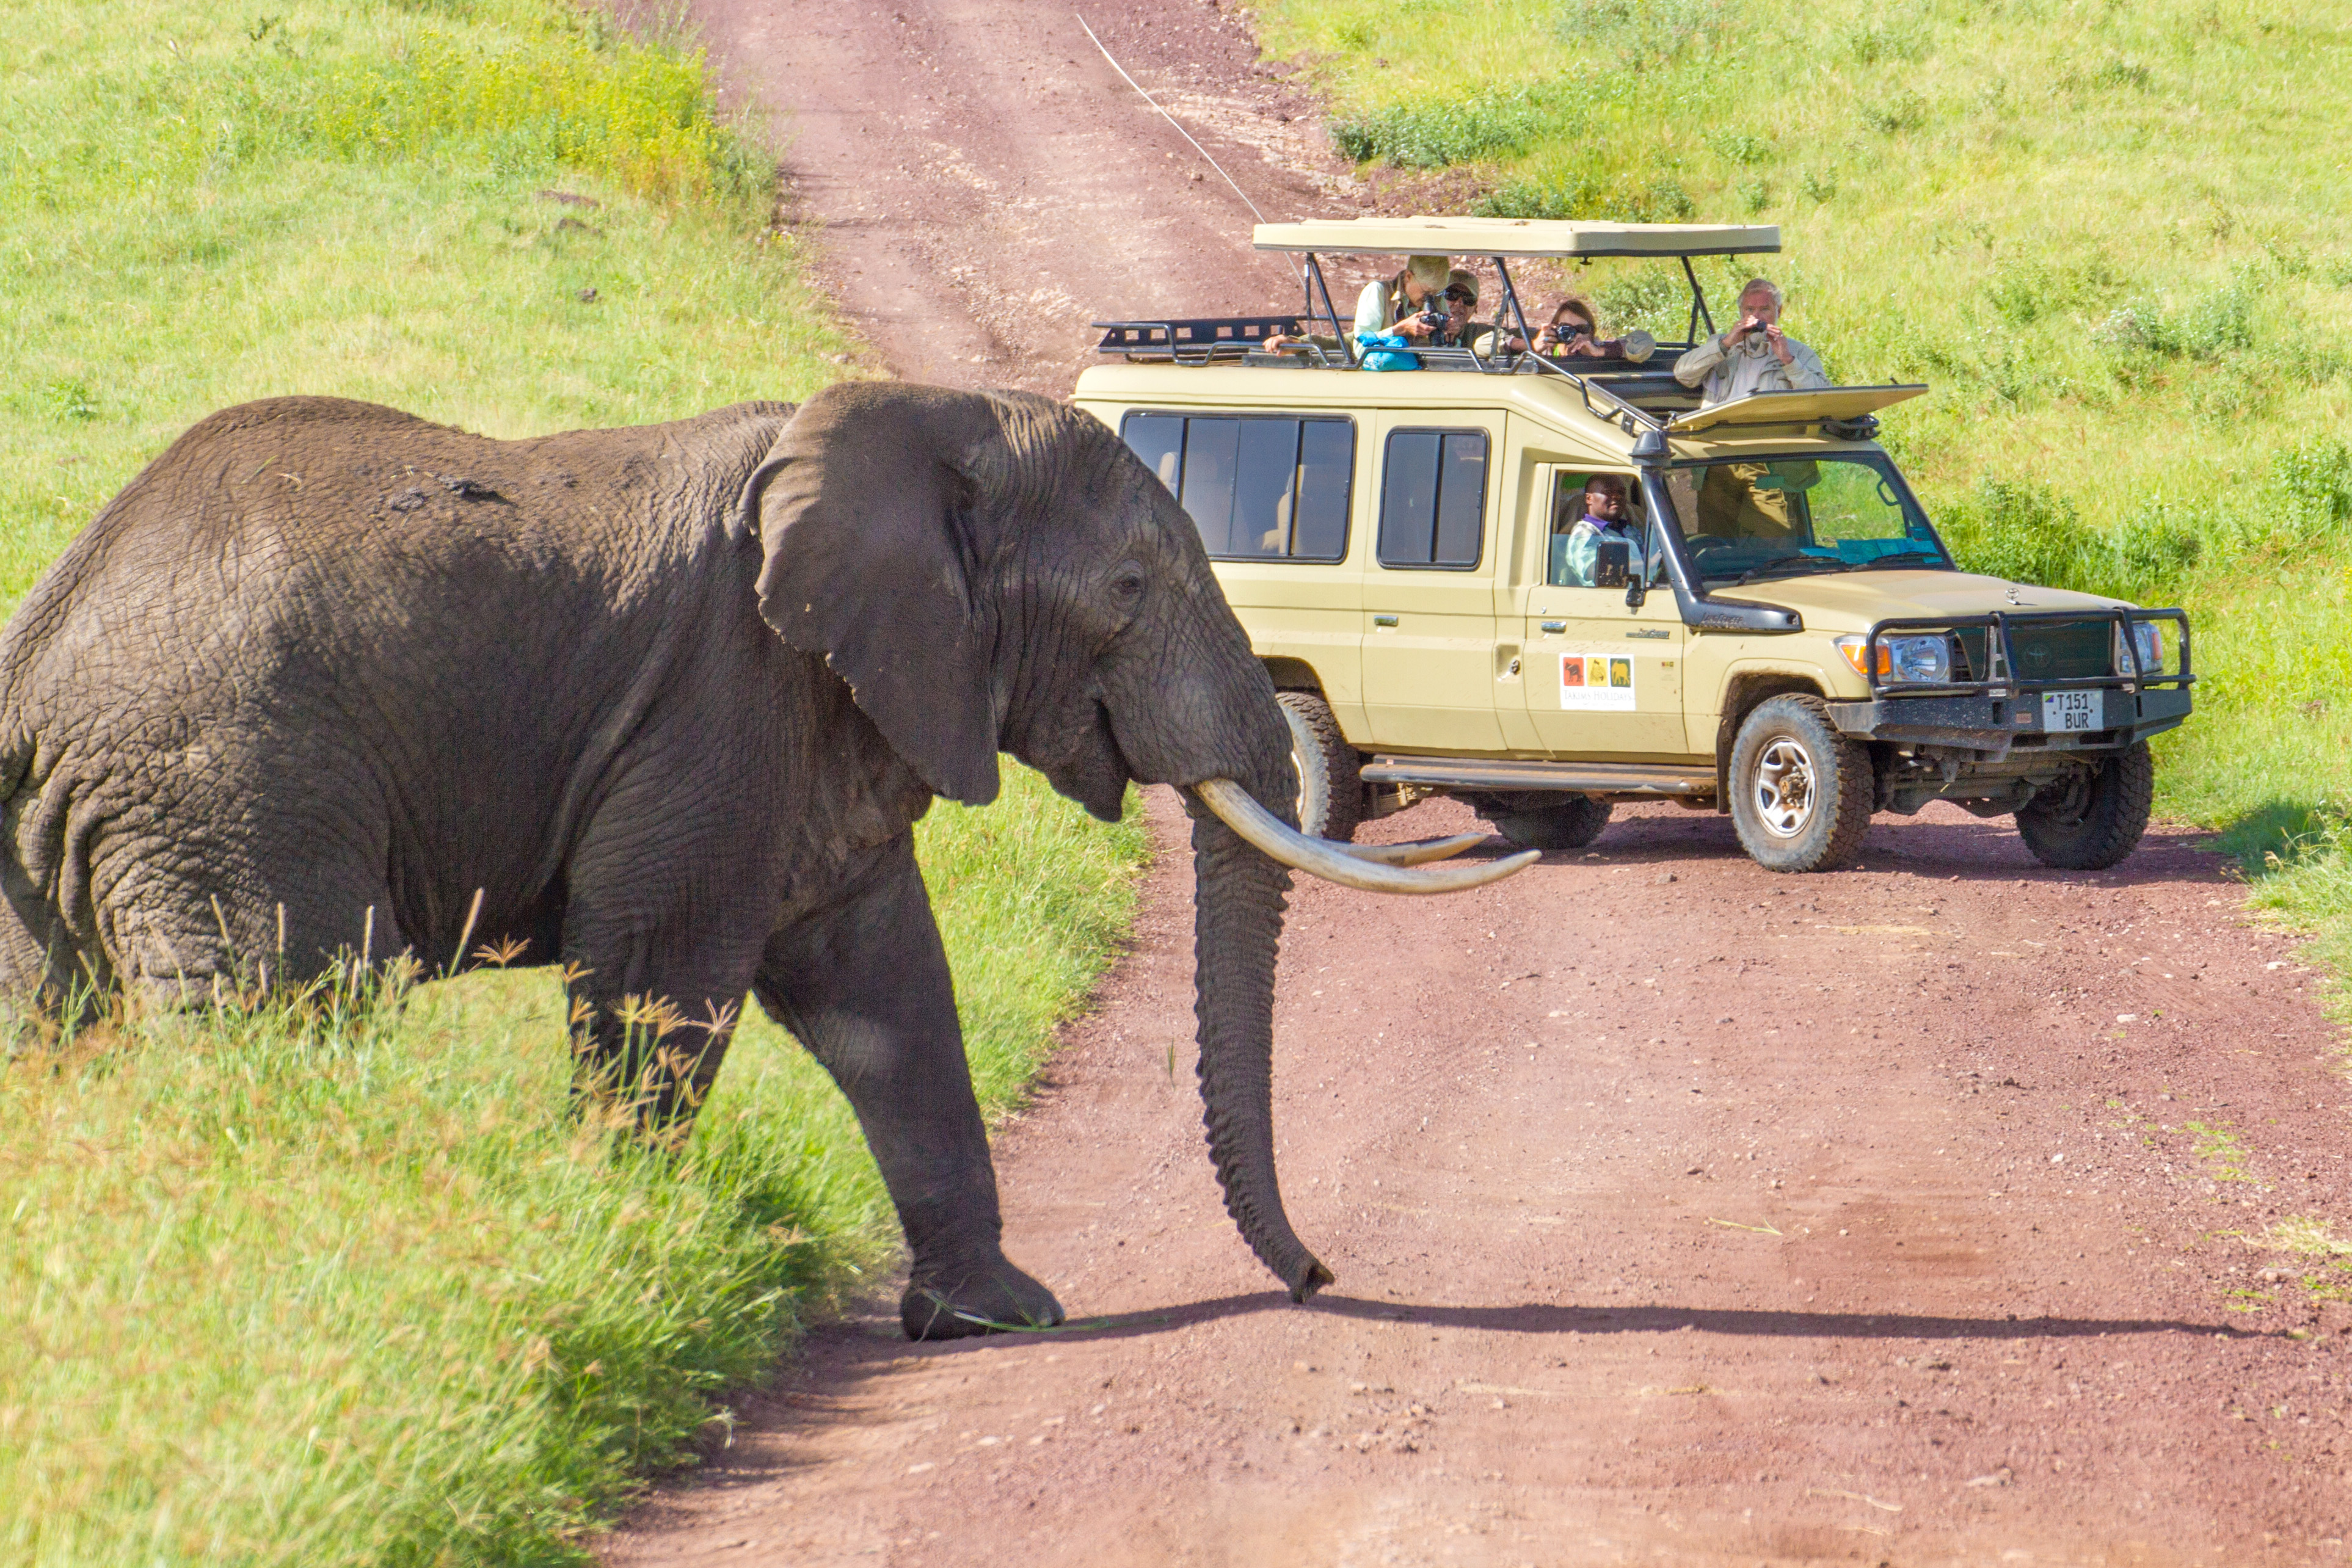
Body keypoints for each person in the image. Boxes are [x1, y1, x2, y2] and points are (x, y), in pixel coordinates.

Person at [1673, 277, 1830, 405]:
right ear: (1741, 312)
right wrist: (1725, 345)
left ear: (1779, 311)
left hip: (1770, 434)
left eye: (1765, 309)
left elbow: (1824, 399)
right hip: (1720, 431)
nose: (1756, 317)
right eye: (1750, 310)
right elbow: (1683, 375)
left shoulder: (1799, 352)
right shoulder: (1720, 345)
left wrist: (1788, 361)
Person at [1551, 473, 1648, 587]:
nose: (1617, 496)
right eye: (1608, 492)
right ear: (1589, 499)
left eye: (1621, 492)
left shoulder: (1630, 529)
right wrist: (1648, 564)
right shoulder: (1584, 532)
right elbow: (1595, 570)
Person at [1352, 254, 1452, 352]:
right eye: (1426, 293)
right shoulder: (1378, 291)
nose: (1430, 299)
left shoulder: (1436, 299)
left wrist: (1451, 334)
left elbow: (1448, 351)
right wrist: (1400, 329)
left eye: (1436, 294)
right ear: (1408, 277)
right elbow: (1361, 348)